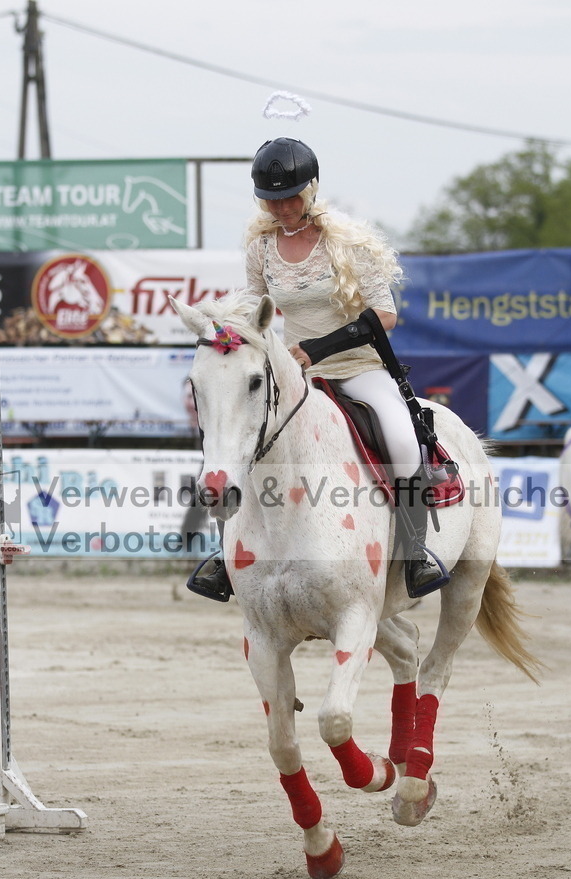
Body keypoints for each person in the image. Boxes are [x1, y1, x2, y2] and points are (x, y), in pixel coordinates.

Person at [190, 137, 448, 602]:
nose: (283, 208)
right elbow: (253, 311)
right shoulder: (261, 248)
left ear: (311, 190)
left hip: (357, 367)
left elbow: (384, 315)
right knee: (239, 440)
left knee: (401, 440)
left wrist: (319, 347)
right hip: (296, 375)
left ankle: (415, 554)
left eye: (291, 196)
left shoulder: (347, 243)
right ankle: (225, 555)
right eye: (272, 199)